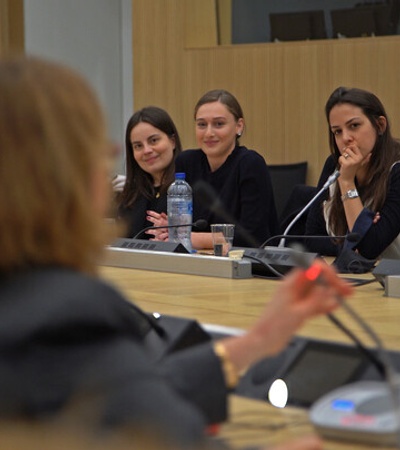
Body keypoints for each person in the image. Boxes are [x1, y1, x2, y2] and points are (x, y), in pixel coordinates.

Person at [0, 55, 352, 450]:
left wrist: (256, 341)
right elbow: (153, 425)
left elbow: (133, 389)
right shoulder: (64, 318)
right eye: (100, 151)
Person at [151, 89, 279, 249]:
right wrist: (167, 228)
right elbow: (178, 228)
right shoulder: (187, 162)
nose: (209, 133)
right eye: (202, 125)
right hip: (198, 260)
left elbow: (253, 237)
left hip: (248, 266)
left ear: (239, 126)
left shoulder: (250, 163)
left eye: (219, 124)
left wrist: (189, 237)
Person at [305, 86, 400, 260]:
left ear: (380, 125)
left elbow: (369, 248)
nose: (346, 138)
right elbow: (311, 239)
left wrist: (347, 182)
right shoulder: (333, 165)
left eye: (354, 126)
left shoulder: (397, 170)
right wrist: (353, 242)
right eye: (337, 131)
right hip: (351, 278)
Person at [117, 106, 182, 239]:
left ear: (173, 141)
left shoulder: (189, 187)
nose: (147, 150)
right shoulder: (130, 195)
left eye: (153, 140)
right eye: (138, 146)